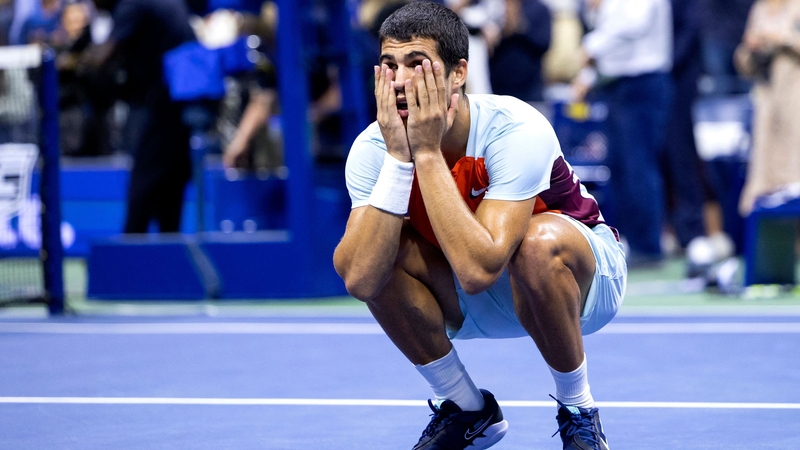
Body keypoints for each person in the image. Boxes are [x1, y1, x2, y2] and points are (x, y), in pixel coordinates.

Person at [333, 3, 626, 449]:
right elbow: (360, 278)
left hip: (581, 283)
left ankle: (579, 411)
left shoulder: (515, 128)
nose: (398, 81)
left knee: (534, 241)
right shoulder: (374, 149)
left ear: (458, 73)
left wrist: (426, 154)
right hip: (474, 292)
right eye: (389, 65)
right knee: (376, 251)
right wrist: (399, 158)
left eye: (417, 64)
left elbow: (479, 270)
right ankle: (467, 409)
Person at [572, 0, 673, 265]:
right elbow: (611, 45)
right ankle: (626, 241)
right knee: (618, 168)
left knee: (639, 166)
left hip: (642, 84)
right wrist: (587, 77)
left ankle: (648, 247)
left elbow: (632, 23)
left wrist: (589, 47)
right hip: (614, 84)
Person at [88, 0, 196, 233]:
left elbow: (102, 55)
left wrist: (65, 59)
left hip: (166, 104)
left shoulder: (131, 5)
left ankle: (131, 252)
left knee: (144, 182)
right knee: (169, 184)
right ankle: (169, 249)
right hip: (181, 101)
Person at [734, 0, 800, 216]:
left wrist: (781, 38)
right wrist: (750, 48)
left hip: (794, 98)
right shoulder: (759, 8)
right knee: (765, 179)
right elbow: (743, 63)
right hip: (766, 102)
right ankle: (768, 246)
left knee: (793, 172)